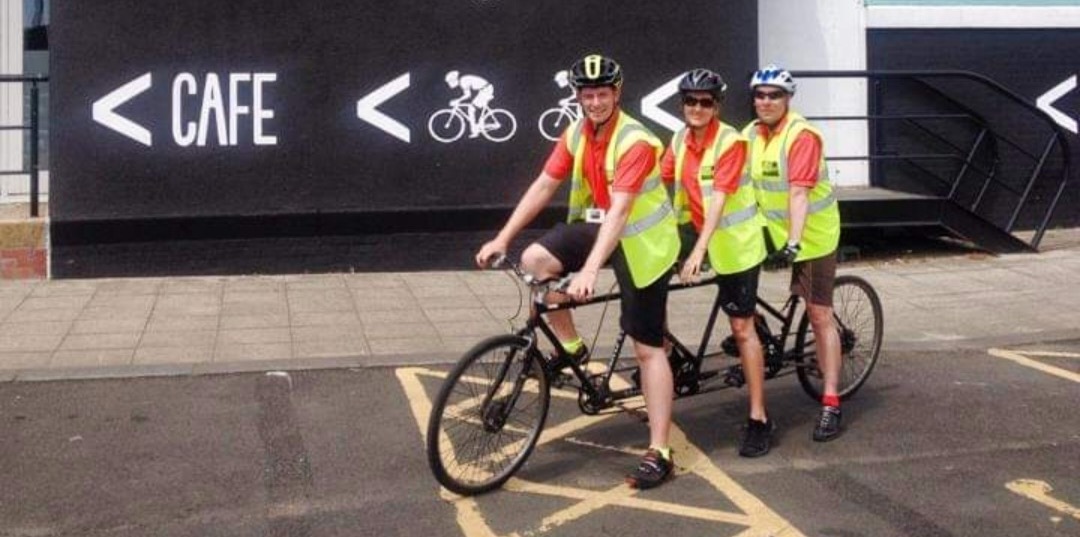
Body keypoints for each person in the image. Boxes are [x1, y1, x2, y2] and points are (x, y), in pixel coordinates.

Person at [475, 54, 680, 489]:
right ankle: (571, 344)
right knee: (534, 261)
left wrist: (589, 270)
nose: (594, 102)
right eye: (587, 95)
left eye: (602, 94)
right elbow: (545, 184)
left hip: (645, 243)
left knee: (647, 349)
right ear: (578, 96)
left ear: (617, 93)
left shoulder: (635, 141)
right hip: (602, 228)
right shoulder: (576, 132)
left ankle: (660, 449)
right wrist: (503, 237)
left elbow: (623, 210)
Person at [661, 68, 771, 456]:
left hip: (737, 243)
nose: (697, 108)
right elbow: (659, 181)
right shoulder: (678, 138)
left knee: (741, 330)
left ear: (717, 106)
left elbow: (720, 200)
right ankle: (670, 356)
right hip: (695, 232)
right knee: (647, 285)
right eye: (690, 101)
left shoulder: (730, 142)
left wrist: (697, 253)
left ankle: (758, 417)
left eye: (705, 102)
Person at [743, 64, 844, 442]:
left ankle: (831, 401)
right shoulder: (750, 134)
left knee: (818, 315)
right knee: (736, 288)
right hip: (770, 231)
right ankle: (762, 333)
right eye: (760, 95)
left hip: (812, 236)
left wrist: (794, 242)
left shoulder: (801, 136)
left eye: (775, 95)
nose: (766, 102)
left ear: (788, 100)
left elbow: (798, 193)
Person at [444, 70, 495, 137]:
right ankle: (477, 126)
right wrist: (458, 100)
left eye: (450, 82)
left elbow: (468, 95)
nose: (450, 84)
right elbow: (468, 95)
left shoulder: (463, 81)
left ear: (454, 80)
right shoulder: (463, 80)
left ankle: (475, 130)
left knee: (471, 109)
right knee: (472, 107)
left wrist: (457, 100)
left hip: (486, 90)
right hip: (484, 90)